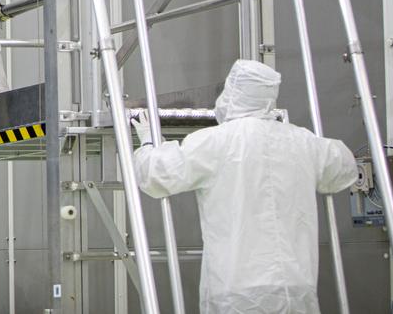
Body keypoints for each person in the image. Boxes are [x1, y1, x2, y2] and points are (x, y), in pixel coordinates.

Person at [132, 59, 359, 314]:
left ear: (232, 92)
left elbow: (158, 175)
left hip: (238, 294)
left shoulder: (216, 142)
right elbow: (345, 166)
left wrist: (150, 143)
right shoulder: (302, 141)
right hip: (296, 289)